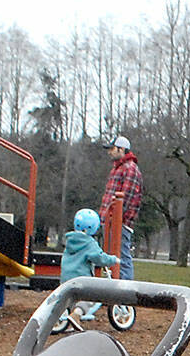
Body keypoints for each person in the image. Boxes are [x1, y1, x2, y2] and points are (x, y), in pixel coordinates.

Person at [58, 208, 119, 331]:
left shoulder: (71, 240)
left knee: (72, 300)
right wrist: (113, 260)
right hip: (81, 278)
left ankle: (70, 321)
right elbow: (99, 257)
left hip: (66, 277)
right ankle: (77, 315)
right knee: (91, 296)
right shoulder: (88, 242)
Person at [98, 135, 143, 281]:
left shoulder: (130, 169)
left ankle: (125, 293)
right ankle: (116, 291)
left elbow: (126, 198)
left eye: (112, 149)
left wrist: (114, 219)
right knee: (114, 258)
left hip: (120, 223)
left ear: (121, 149)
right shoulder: (119, 168)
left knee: (122, 258)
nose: (109, 152)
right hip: (112, 221)